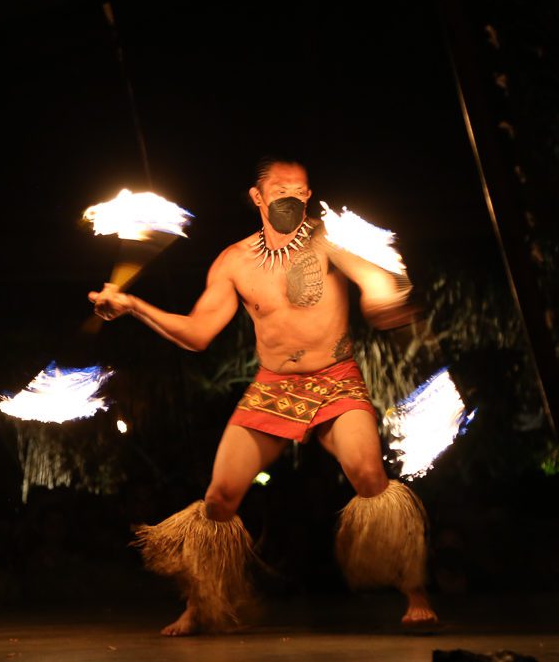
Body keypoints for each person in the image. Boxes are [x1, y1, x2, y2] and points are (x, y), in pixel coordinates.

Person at [88, 158, 438, 636]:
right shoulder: (234, 261)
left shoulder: (332, 241)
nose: (291, 197)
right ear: (257, 197)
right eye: (280, 189)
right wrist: (132, 305)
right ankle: (201, 605)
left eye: (301, 190)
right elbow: (197, 334)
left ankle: (415, 592)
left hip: (336, 379)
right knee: (219, 498)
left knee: (369, 475)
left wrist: (383, 297)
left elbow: (375, 281)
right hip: (273, 388)